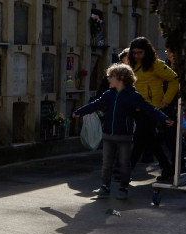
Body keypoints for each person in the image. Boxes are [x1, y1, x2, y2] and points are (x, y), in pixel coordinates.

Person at [72, 64, 173, 200]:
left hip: (124, 135)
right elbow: (95, 104)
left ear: (121, 78)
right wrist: (79, 112)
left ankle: (123, 187)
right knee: (106, 163)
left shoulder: (133, 96)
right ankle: (105, 187)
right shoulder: (109, 94)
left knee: (125, 164)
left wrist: (164, 118)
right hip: (108, 134)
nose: (108, 79)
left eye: (110, 76)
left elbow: (149, 108)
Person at [127, 37, 179, 181]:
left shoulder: (155, 65)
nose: (137, 55)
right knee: (149, 140)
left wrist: (166, 101)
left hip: (152, 108)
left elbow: (174, 79)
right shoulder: (133, 65)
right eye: (134, 52)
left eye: (140, 52)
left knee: (140, 139)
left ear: (147, 52)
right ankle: (167, 168)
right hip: (139, 108)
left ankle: (126, 169)